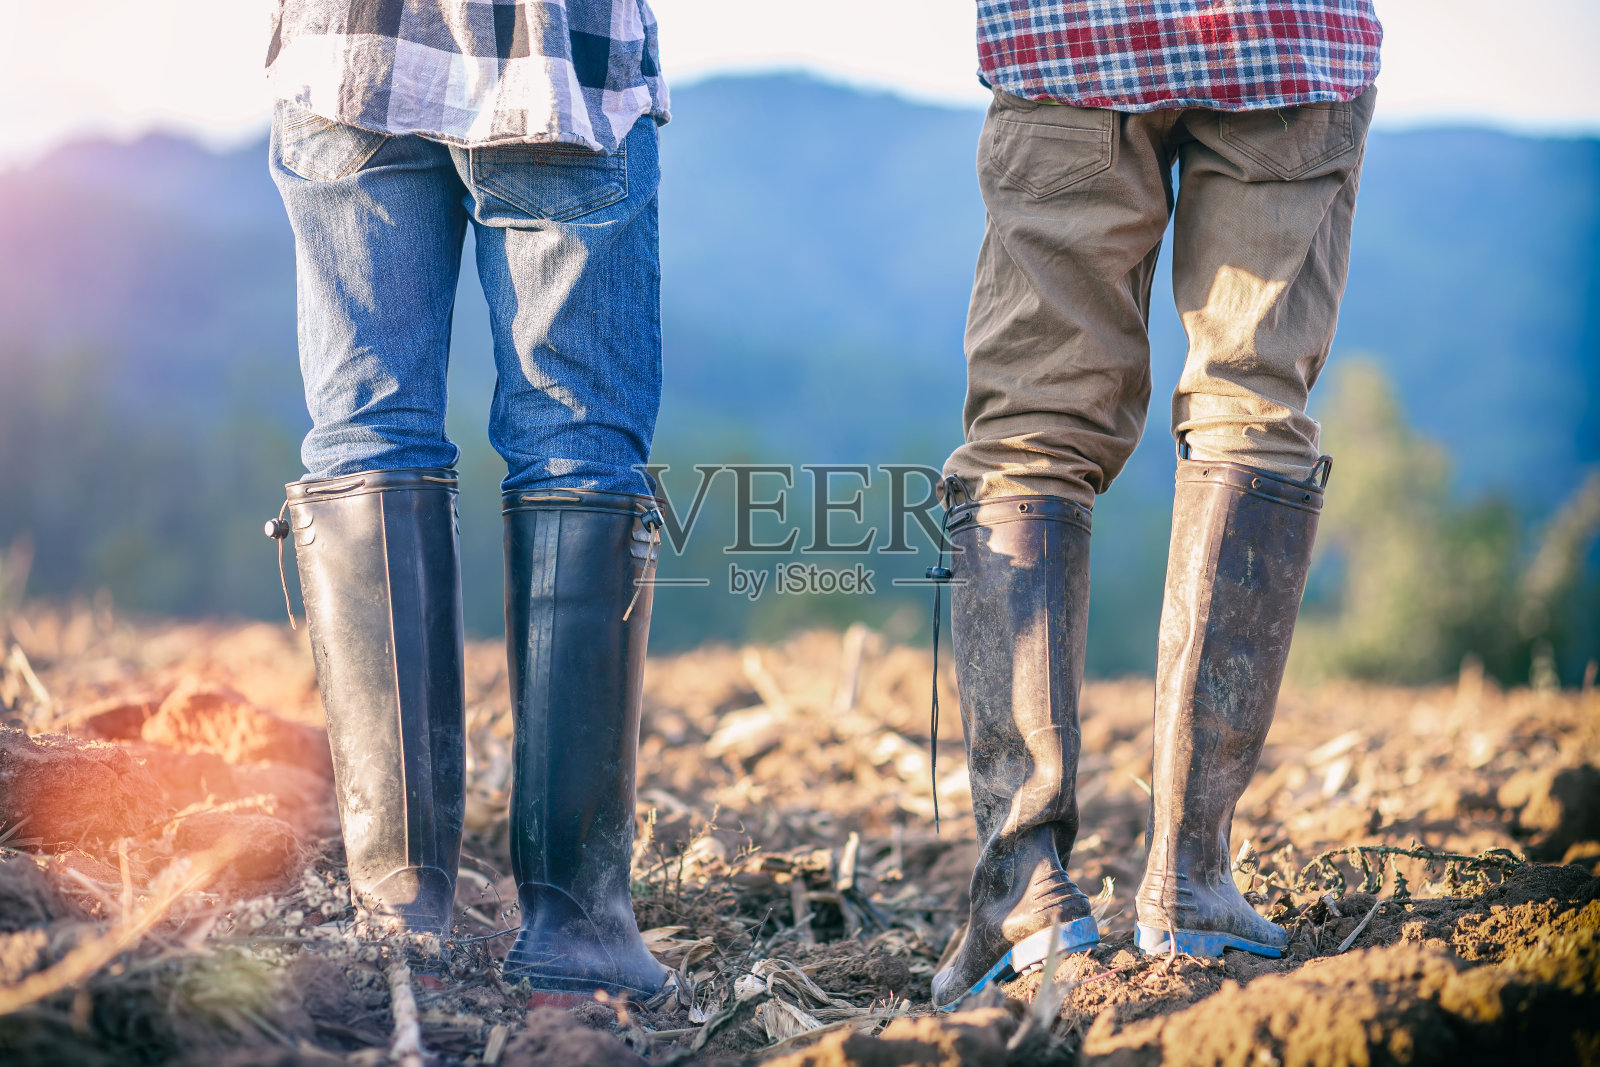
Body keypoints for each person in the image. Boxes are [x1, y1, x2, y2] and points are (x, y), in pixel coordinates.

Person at [932, 0, 1381, 1006]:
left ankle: (1023, 887)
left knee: (1028, 429)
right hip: (1286, 38)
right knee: (1251, 407)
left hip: (1070, 34)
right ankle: (1190, 878)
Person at [260, 1, 673, 1002]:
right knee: (575, 448)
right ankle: (574, 935)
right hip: (554, 55)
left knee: (368, 435)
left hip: (349, 50)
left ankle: (400, 915)